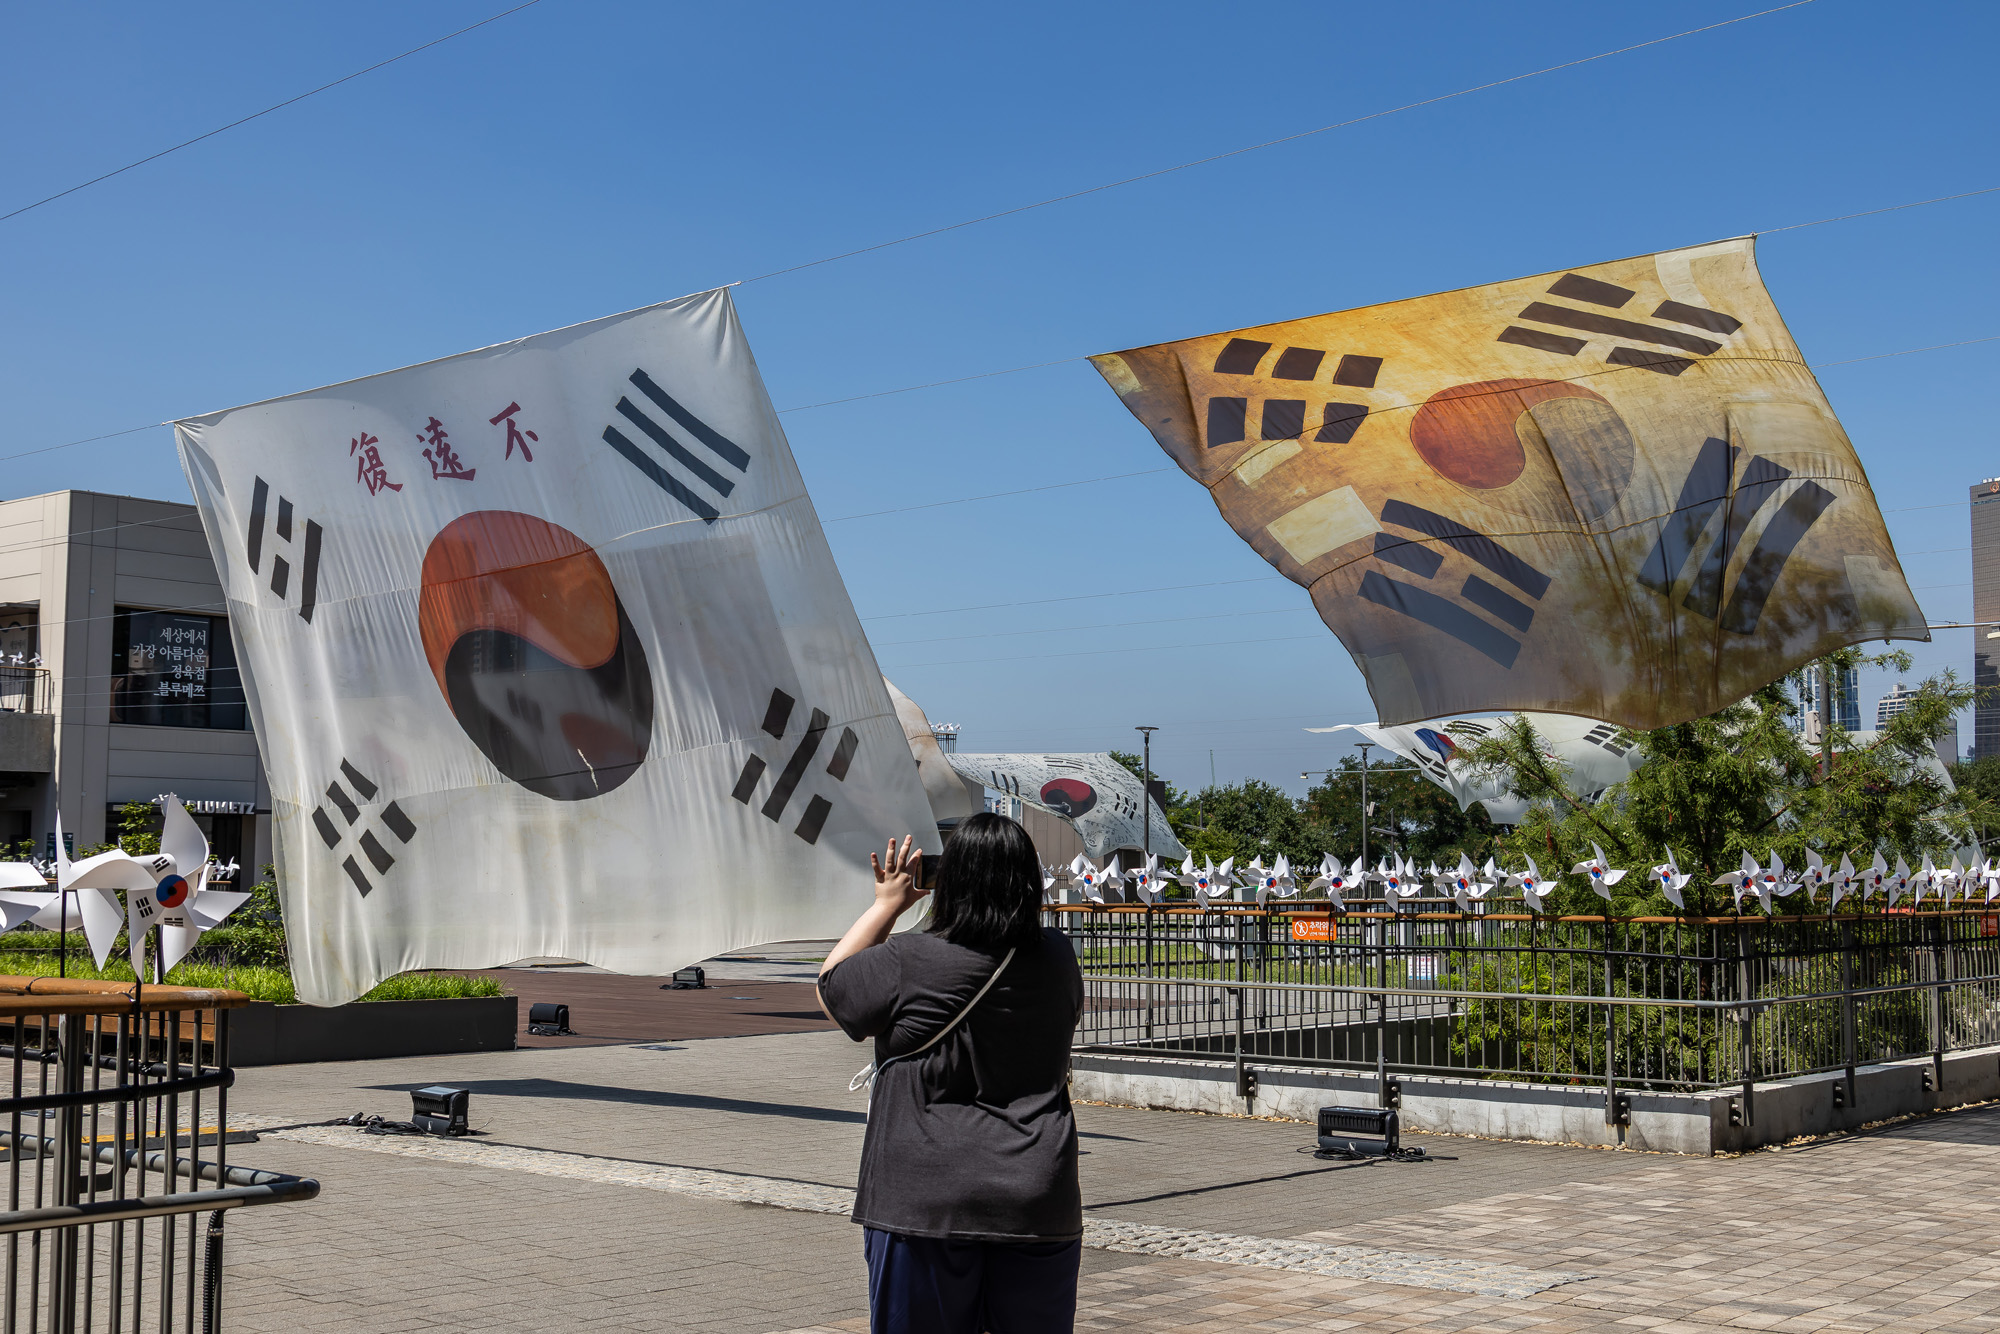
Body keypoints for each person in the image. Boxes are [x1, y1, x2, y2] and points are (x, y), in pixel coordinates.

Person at [816, 814, 1084, 1334]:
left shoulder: (909, 959)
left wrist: (886, 906)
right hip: (1037, 1195)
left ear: (950, 879)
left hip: (924, 1200)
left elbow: (832, 991)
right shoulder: (1056, 956)